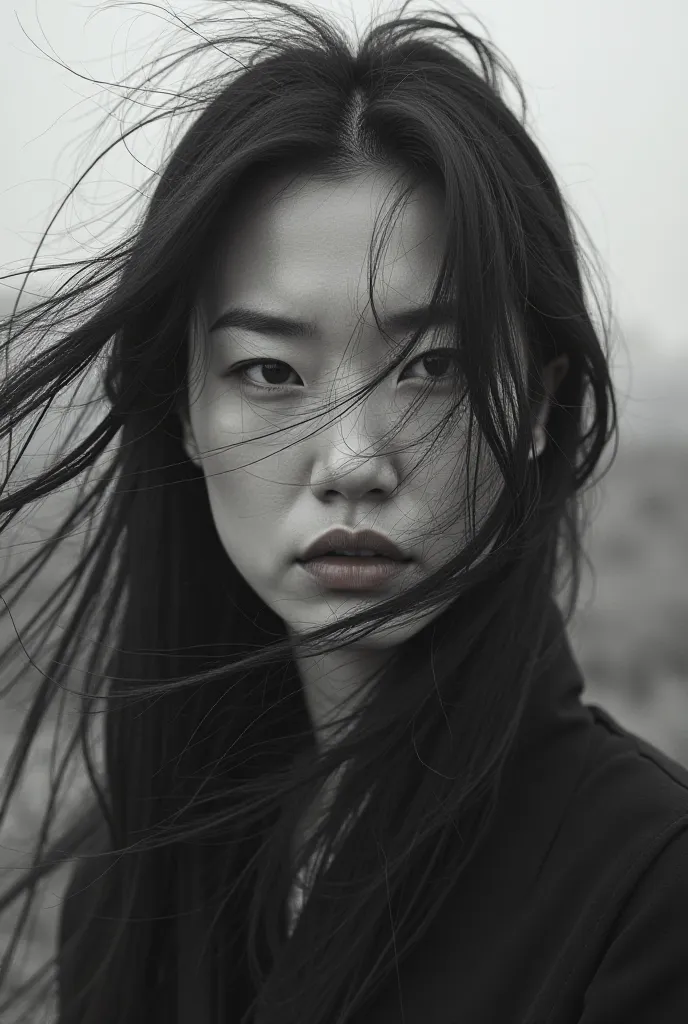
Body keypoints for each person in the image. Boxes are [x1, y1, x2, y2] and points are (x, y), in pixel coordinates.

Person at [0, 2, 686, 1022]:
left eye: (434, 367)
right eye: (269, 369)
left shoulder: (648, 889)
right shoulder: (128, 891)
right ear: (182, 413)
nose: (354, 461)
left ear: (540, 404)